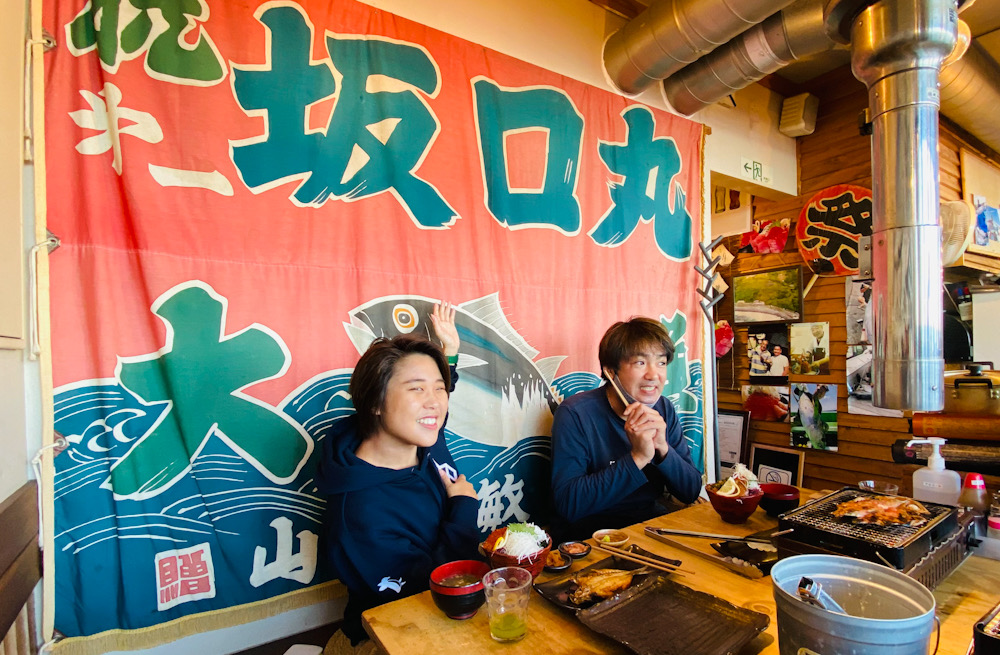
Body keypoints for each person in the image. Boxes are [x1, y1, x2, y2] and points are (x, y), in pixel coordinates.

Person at [316, 303, 480, 649]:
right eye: (416, 389)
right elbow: (428, 593)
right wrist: (464, 509)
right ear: (374, 402)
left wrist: (449, 356)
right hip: (391, 634)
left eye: (440, 388)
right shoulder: (359, 514)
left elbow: (432, 412)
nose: (435, 402)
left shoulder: (420, 439)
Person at [550, 317, 702, 542]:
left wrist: (662, 448)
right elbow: (569, 504)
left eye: (661, 363)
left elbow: (690, 490)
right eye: (640, 363)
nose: (654, 375)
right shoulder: (575, 413)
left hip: (648, 527)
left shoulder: (664, 409)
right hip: (589, 536)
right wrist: (638, 457)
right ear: (611, 371)